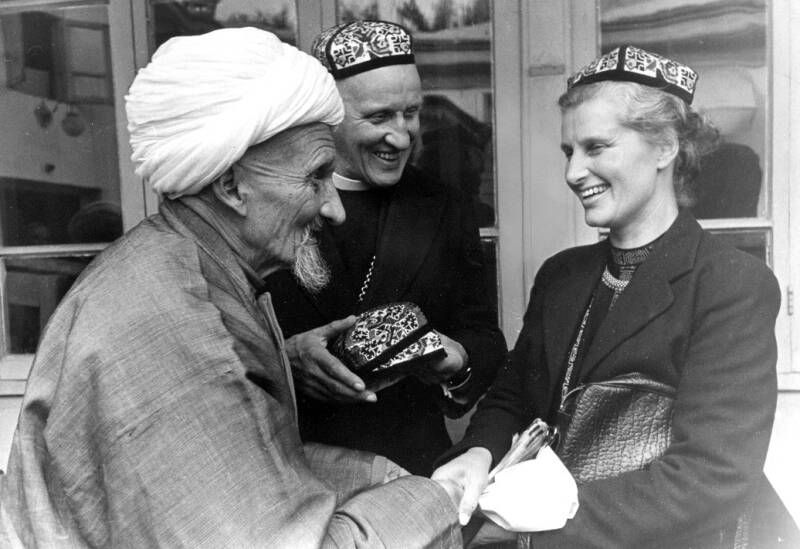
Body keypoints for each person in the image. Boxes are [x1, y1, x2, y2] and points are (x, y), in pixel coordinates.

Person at [0, 28, 463, 548]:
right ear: (230, 186)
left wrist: (373, 475)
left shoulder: (178, 264)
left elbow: (251, 463)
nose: (333, 208)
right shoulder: (181, 327)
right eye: (316, 178)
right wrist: (434, 500)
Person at [432, 45, 781, 547]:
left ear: (665, 148)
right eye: (568, 152)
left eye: (596, 148)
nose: (574, 172)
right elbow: (513, 397)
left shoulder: (730, 284)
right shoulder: (562, 275)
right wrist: (477, 455)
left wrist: (539, 535)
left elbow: (712, 475)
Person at [264, 20, 506, 475]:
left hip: (411, 471)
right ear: (326, 116)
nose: (401, 136)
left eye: (410, 113)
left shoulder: (445, 205)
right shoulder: (266, 203)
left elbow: (484, 336)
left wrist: (457, 360)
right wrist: (287, 360)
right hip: (292, 473)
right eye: (378, 117)